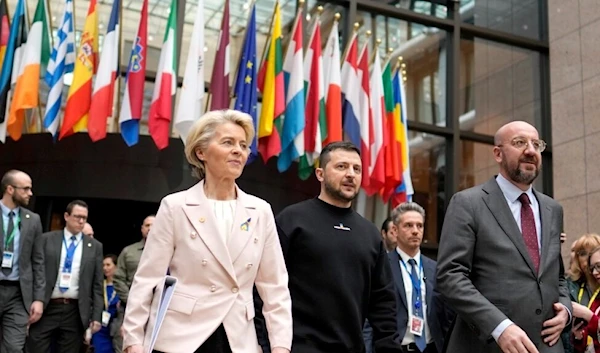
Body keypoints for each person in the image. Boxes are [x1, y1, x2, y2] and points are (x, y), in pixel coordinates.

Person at [121, 109, 293, 353]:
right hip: (181, 338)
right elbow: (148, 278)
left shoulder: (260, 211)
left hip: (237, 340)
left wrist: (281, 346)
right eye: (228, 142)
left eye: (243, 145)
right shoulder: (175, 206)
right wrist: (133, 340)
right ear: (201, 152)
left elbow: (275, 285)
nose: (239, 150)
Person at [437, 121, 571, 353]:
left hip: (547, 346)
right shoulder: (468, 203)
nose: (530, 150)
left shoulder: (553, 209)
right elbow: (451, 276)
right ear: (498, 154)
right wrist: (499, 327)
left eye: (536, 144)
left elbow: (556, 277)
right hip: (486, 345)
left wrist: (566, 312)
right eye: (519, 142)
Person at [271, 141, 401, 353]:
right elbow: (266, 288)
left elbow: (383, 303)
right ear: (320, 174)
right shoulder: (291, 220)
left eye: (356, 169)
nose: (350, 174)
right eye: (341, 167)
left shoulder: (370, 234)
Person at [27, 200, 104, 353]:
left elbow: (97, 283)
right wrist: (36, 299)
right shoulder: (47, 239)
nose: (81, 221)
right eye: (77, 216)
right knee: (36, 347)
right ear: (66, 216)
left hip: (74, 309)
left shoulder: (94, 246)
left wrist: (96, 315)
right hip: (48, 305)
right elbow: (36, 271)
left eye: (84, 218)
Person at [0, 170, 45, 353]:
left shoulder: (33, 220)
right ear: (10, 189)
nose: (30, 193)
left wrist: (39, 299)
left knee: (13, 347)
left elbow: (38, 261)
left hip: (19, 293)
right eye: (25, 189)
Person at [113, 214, 155, 353]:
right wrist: (132, 299)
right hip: (128, 308)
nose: (150, 228)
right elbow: (118, 279)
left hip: (157, 309)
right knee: (124, 345)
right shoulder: (128, 252)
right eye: (147, 225)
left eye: (154, 225)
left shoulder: (171, 251)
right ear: (142, 228)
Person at [571, 245, 600, 352]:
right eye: (592, 268)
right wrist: (579, 337)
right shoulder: (596, 298)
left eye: (599, 266)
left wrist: (588, 316)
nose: (595, 273)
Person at [91, 254, 120, 353]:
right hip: (100, 328)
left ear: (116, 266)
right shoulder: (99, 285)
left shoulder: (121, 286)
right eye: (103, 265)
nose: (105, 268)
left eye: (108, 265)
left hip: (116, 327)